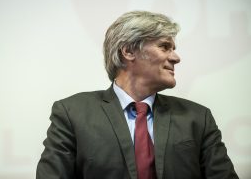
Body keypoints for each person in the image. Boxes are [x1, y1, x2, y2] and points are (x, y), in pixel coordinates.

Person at [36, 11, 238, 179]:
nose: (176, 58)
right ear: (129, 51)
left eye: (173, 48)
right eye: (164, 46)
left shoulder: (198, 118)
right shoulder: (72, 114)